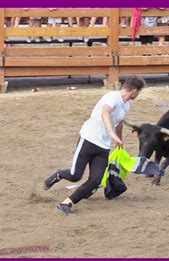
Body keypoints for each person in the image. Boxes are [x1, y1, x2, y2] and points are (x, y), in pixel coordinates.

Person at [44, 76, 146, 216]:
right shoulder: (112, 97)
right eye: (139, 92)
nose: (138, 95)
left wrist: (119, 141)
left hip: (103, 146)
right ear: (134, 91)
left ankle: (65, 204)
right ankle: (58, 174)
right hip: (89, 139)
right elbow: (105, 112)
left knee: (95, 180)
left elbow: (119, 123)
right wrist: (112, 134)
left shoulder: (126, 104)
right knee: (75, 176)